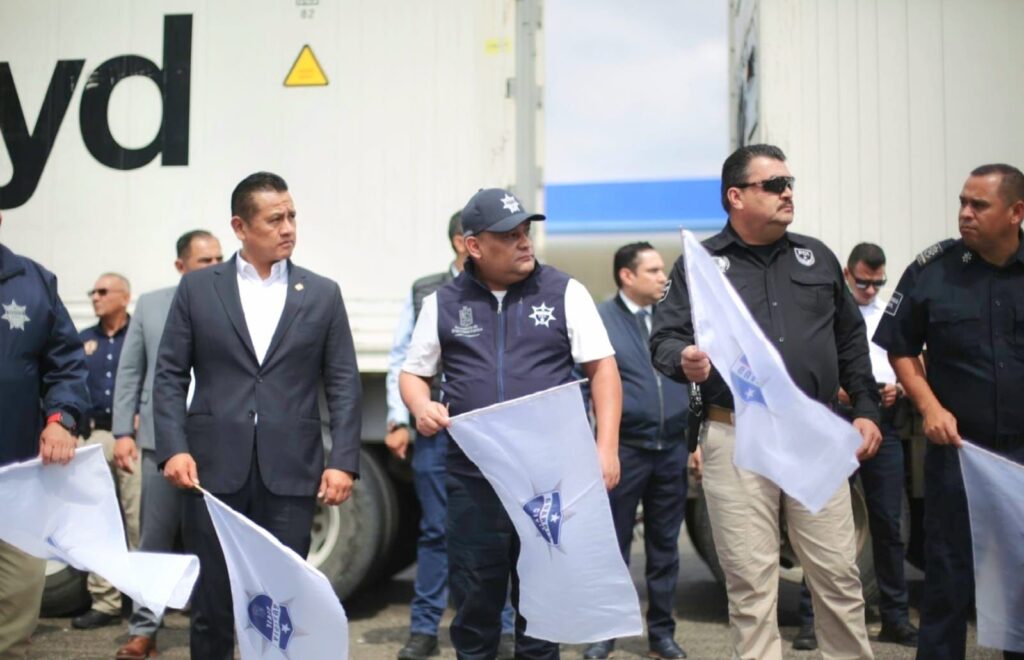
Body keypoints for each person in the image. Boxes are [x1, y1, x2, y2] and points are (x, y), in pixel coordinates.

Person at [650, 144, 881, 660]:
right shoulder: (701, 264)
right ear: (736, 196)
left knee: (840, 580)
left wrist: (866, 408)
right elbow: (663, 340)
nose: (787, 192)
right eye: (773, 184)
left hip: (812, 433)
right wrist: (683, 358)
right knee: (752, 588)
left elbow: (851, 344)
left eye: (789, 182)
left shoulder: (818, 257)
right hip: (736, 434)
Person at [399, 187, 622, 660]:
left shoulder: (565, 291)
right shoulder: (442, 302)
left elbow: (603, 370)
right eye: (510, 235)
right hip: (474, 479)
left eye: (526, 232)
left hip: (547, 481)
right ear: (473, 245)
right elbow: (414, 373)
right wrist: (421, 407)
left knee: (541, 610)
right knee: (476, 605)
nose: (525, 243)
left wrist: (606, 449)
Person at [153, 172, 362, 660]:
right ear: (240, 227)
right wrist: (174, 447)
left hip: (290, 471)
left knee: (281, 602)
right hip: (210, 473)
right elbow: (168, 376)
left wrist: (343, 460)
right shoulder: (200, 290)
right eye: (275, 219)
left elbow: (343, 383)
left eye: (292, 216)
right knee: (212, 601)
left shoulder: (322, 293)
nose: (288, 227)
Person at [874, 163, 1024, 660]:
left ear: (1016, 212)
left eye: (978, 205)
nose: (965, 213)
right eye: (962, 202)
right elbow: (899, 346)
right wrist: (930, 407)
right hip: (958, 452)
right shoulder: (933, 269)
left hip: (1022, 455)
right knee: (946, 580)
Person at [385, 212, 517, 660]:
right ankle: (424, 628)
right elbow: (403, 359)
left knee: (499, 528)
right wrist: (398, 418)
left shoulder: (512, 289)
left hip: (491, 431)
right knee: (436, 530)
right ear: (465, 243)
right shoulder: (429, 291)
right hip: (438, 431)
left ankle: (502, 626)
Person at [792, 242, 918, 651]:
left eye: (877, 283)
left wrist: (896, 389)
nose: (869, 289)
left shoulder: (885, 315)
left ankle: (895, 617)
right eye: (863, 282)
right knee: (820, 520)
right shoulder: (829, 311)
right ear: (847, 274)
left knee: (887, 524)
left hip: (881, 420)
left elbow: (908, 359)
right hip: (835, 418)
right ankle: (811, 621)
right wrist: (848, 392)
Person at [111, 230, 223, 659]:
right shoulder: (153, 305)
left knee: (213, 541)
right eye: (203, 261)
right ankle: (144, 629)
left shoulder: (235, 302)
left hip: (216, 444)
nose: (214, 266)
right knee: (154, 539)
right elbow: (130, 370)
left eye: (218, 258)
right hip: (160, 442)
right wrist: (123, 431)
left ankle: (218, 630)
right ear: (181, 267)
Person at [583, 242, 690, 660]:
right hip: (625, 452)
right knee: (613, 547)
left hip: (671, 451)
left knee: (665, 548)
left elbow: (693, 379)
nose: (664, 277)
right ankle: (603, 633)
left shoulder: (672, 318)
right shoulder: (601, 320)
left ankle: (662, 634)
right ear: (627, 276)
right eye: (654, 270)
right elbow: (583, 384)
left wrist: (693, 441)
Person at [0, 209, 90, 659]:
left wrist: (61, 420)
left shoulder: (33, 282)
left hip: (17, 480)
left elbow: (67, 365)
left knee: (19, 596)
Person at [71, 272, 139, 630]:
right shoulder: (83, 341)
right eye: (92, 291)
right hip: (94, 434)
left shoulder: (139, 335)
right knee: (96, 520)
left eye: (102, 291)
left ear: (124, 297)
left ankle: (144, 600)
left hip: (131, 437)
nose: (95, 297)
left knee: (136, 517)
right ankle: (105, 600)